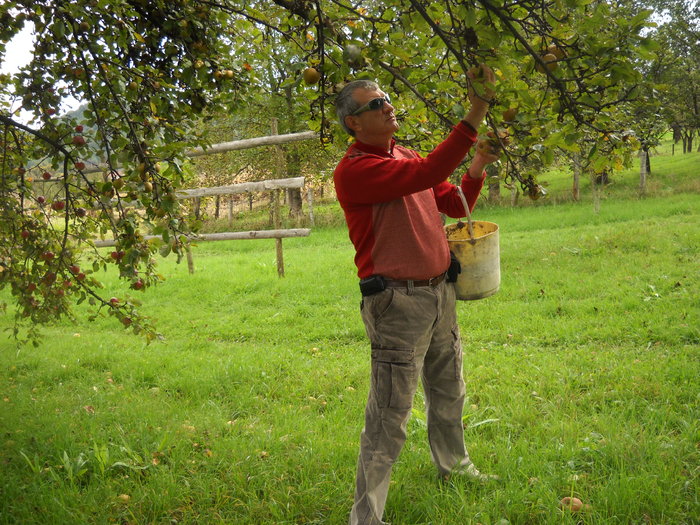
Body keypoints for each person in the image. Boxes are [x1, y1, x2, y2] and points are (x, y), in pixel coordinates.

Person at [333, 65, 500, 525]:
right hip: (397, 304)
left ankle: (455, 467)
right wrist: (477, 111)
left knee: (449, 390)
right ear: (354, 122)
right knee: (390, 412)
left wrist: (479, 164)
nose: (388, 107)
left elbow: (452, 201)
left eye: (386, 99)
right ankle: (366, 516)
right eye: (375, 105)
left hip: (439, 295)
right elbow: (431, 170)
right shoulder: (356, 171)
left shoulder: (404, 155)